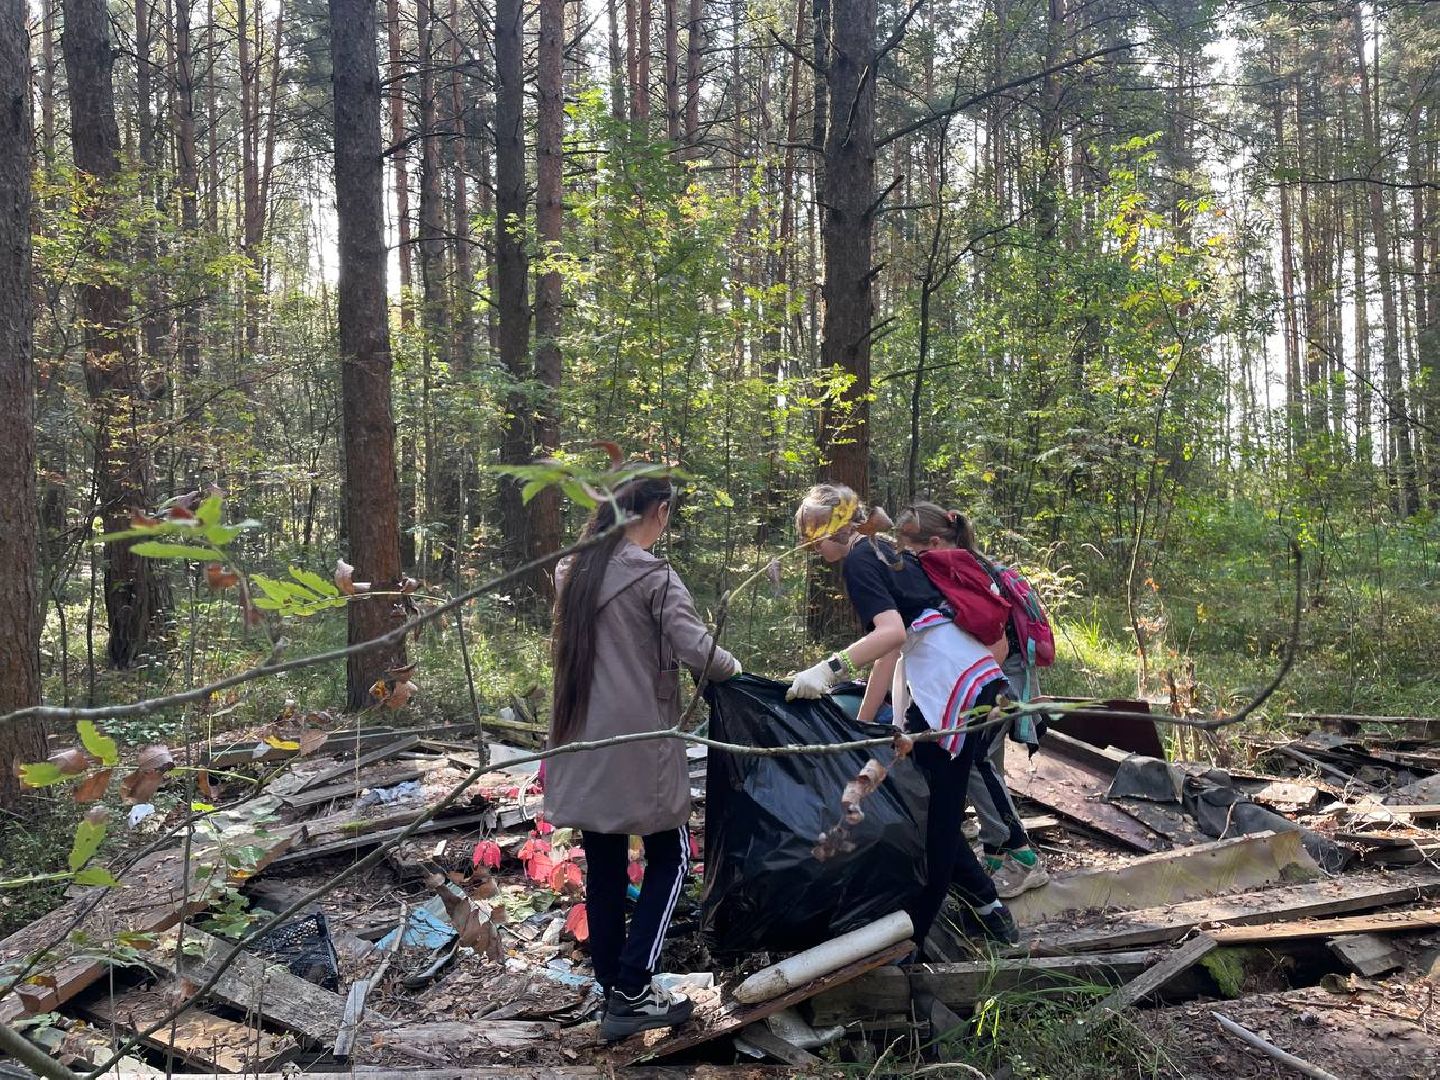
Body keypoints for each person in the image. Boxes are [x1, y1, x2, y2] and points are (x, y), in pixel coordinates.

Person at [544, 476, 742, 1042]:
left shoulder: (571, 569)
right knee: (673, 855)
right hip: (638, 742)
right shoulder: (654, 575)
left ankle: (613, 988)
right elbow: (697, 651)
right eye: (666, 518)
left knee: (603, 864)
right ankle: (632, 988)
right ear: (658, 511)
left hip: (581, 738)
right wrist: (741, 675)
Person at [788, 483, 1018, 953]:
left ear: (825, 533)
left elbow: (890, 632)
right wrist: (868, 725)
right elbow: (892, 649)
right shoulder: (883, 549)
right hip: (966, 682)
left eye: (811, 539)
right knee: (924, 807)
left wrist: (827, 670)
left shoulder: (858, 559)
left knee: (937, 824)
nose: (812, 550)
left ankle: (920, 939)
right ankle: (984, 910)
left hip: (952, 691)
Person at [893, 502, 1050, 898]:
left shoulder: (957, 570)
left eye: (910, 550)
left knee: (974, 761)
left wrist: (972, 699)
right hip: (991, 675)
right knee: (985, 765)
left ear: (932, 542)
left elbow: (994, 645)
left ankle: (1022, 859)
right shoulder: (963, 564)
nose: (908, 560)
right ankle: (996, 853)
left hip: (998, 675)